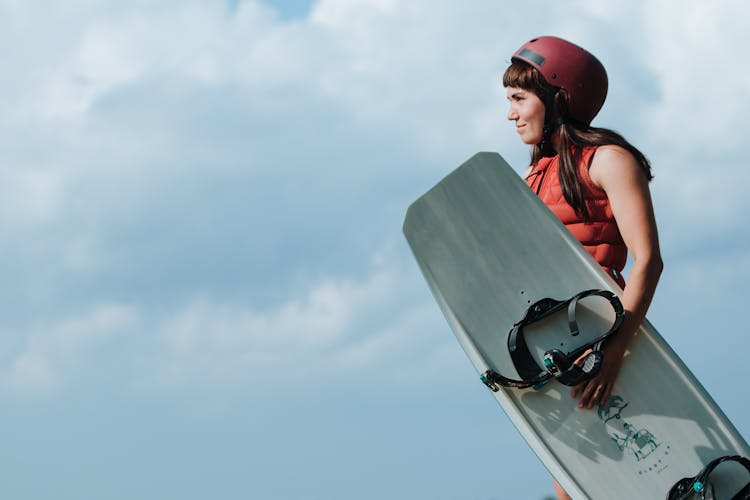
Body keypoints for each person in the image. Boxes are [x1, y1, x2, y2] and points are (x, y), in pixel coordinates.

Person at [503, 36, 664, 500]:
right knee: (570, 488)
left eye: (519, 99)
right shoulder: (537, 171)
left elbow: (648, 260)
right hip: (555, 349)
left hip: (607, 340)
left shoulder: (609, 160)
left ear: (558, 98)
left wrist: (615, 351)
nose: (510, 114)